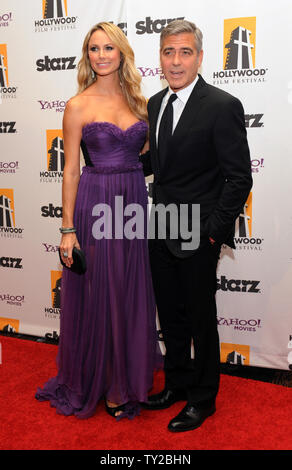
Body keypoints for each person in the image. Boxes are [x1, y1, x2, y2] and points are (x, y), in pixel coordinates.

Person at [36, 22, 159, 420]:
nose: (101, 55)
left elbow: (146, 155)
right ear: (86, 55)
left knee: (129, 288)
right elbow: (70, 170)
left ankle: (126, 376)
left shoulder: (139, 101)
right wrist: (67, 228)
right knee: (102, 289)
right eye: (94, 48)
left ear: (122, 53)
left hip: (133, 201)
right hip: (96, 201)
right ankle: (105, 381)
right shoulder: (77, 105)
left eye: (109, 48)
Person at [140, 20, 253, 432]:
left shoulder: (222, 105)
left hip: (198, 232)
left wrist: (211, 233)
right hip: (161, 227)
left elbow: (239, 177)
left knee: (201, 320)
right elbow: (161, 165)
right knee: (170, 316)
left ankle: (203, 398)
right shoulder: (155, 103)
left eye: (184, 52)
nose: (175, 61)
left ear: (200, 57)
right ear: (160, 58)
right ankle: (177, 384)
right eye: (168, 52)